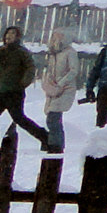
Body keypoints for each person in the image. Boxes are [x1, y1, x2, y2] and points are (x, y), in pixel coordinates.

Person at [0, 22, 50, 154]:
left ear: (18, 37)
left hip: (14, 93)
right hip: (1, 92)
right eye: (8, 33)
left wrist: (23, 83)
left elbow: (30, 68)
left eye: (13, 34)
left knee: (19, 119)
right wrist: (0, 50)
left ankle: (45, 137)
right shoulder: (2, 51)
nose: (9, 36)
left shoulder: (21, 52)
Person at [38, 23, 78, 152]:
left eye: (59, 36)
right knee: (51, 117)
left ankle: (56, 145)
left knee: (54, 117)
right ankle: (53, 142)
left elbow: (73, 70)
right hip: (54, 89)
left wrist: (61, 82)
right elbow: (50, 70)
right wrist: (48, 81)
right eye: (54, 36)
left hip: (65, 88)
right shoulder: (53, 53)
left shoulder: (70, 52)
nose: (56, 39)